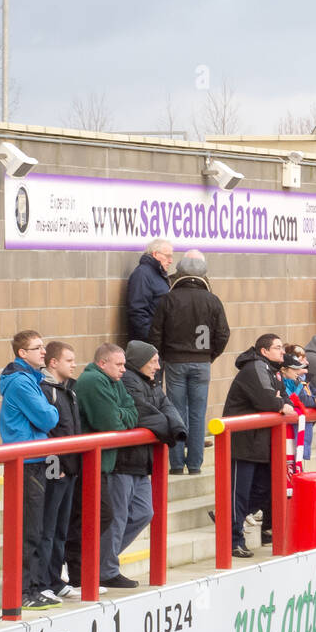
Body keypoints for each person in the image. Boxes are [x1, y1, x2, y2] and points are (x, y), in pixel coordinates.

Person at [148, 250, 230, 474]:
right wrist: (209, 356)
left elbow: (155, 333)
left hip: (174, 361)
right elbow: (223, 334)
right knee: (198, 413)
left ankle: (175, 464)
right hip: (202, 362)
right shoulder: (212, 300)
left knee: (175, 410)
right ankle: (194, 464)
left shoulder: (168, 299)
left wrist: (163, 355)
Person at [0, 330, 61, 609]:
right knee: (29, 530)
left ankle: (34, 586)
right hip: (26, 464)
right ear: (22, 354)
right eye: (37, 348)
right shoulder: (21, 383)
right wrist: (51, 411)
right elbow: (47, 417)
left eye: (43, 347)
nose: (43, 352)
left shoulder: (31, 379)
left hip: (36, 460)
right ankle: (24, 591)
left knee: (37, 528)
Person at [221, 334, 294, 557]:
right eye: (278, 348)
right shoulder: (255, 368)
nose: (283, 352)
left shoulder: (272, 370)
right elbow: (269, 401)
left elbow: (286, 400)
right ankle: (233, 540)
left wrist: (281, 401)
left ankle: (232, 520)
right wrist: (279, 401)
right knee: (239, 494)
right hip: (243, 443)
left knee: (265, 490)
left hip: (260, 443)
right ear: (264, 351)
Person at [116, 341, 185, 572]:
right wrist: (170, 431)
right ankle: (101, 565)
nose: (157, 366)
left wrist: (177, 429)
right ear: (140, 361)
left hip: (142, 461)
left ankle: (103, 561)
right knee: (118, 518)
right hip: (123, 461)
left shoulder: (151, 381)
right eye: (153, 361)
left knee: (144, 512)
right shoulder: (128, 381)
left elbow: (166, 406)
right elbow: (141, 412)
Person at [75, 343, 141, 588]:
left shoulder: (114, 381)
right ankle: (86, 572)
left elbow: (132, 412)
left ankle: (94, 568)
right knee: (101, 516)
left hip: (105, 463)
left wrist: (122, 415)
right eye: (119, 364)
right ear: (102, 363)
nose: (124, 370)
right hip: (89, 465)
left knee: (116, 514)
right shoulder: (93, 381)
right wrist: (122, 415)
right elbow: (111, 422)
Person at [38, 341, 82, 601]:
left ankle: (55, 579)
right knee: (48, 527)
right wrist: (61, 465)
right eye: (69, 360)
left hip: (71, 467)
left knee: (61, 529)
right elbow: (51, 432)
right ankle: (43, 580)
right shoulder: (47, 390)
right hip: (56, 469)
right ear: (53, 362)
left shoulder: (69, 390)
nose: (74, 364)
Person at [126, 239, 174, 342]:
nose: (171, 261)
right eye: (168, 256)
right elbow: (137, 311)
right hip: (149, 344)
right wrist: (152, 338)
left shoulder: (158, 275)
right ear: (155, 254)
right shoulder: (142, 274)